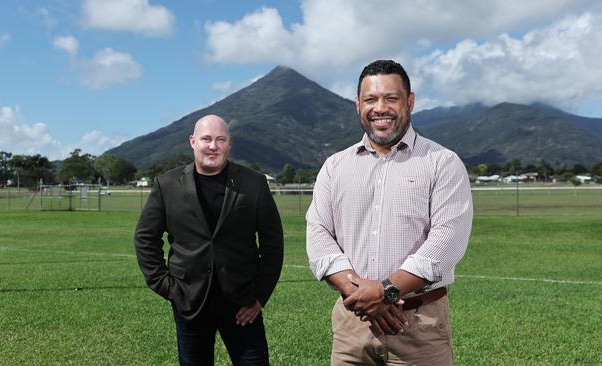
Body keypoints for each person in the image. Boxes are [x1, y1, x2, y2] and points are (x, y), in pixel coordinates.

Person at [306, 60, 473, 365]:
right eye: (370, 99)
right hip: (351, 326)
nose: (380, 108)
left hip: (418, 325)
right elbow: (318, 234)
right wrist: (361, 293)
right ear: (358, 105)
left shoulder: (442, 162)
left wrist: (386, 291)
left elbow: (447, 241)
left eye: (391, 98)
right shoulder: (334, 166)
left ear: (409, 101)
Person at [135, 115, 284, 366]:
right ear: (193, 142)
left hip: (242, 303)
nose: (213, 146)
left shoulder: (253, 183)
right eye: (206, 139)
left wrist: (259, 297)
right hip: (189, 300)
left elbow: (273, 243)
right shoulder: (167, 184)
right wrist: (166, 286)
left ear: (229, 143)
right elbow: (145, 238)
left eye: (220, 139)